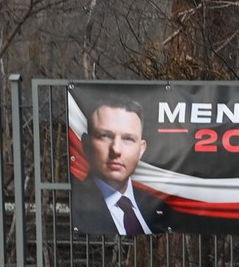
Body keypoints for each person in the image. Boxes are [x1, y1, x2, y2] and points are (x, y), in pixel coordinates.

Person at [70, 96, 169, 236]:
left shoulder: (158, 205)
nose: (116, 149)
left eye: (128, 139)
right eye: (105, 136)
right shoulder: (76, 206)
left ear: (141, 150)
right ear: (86, 144)